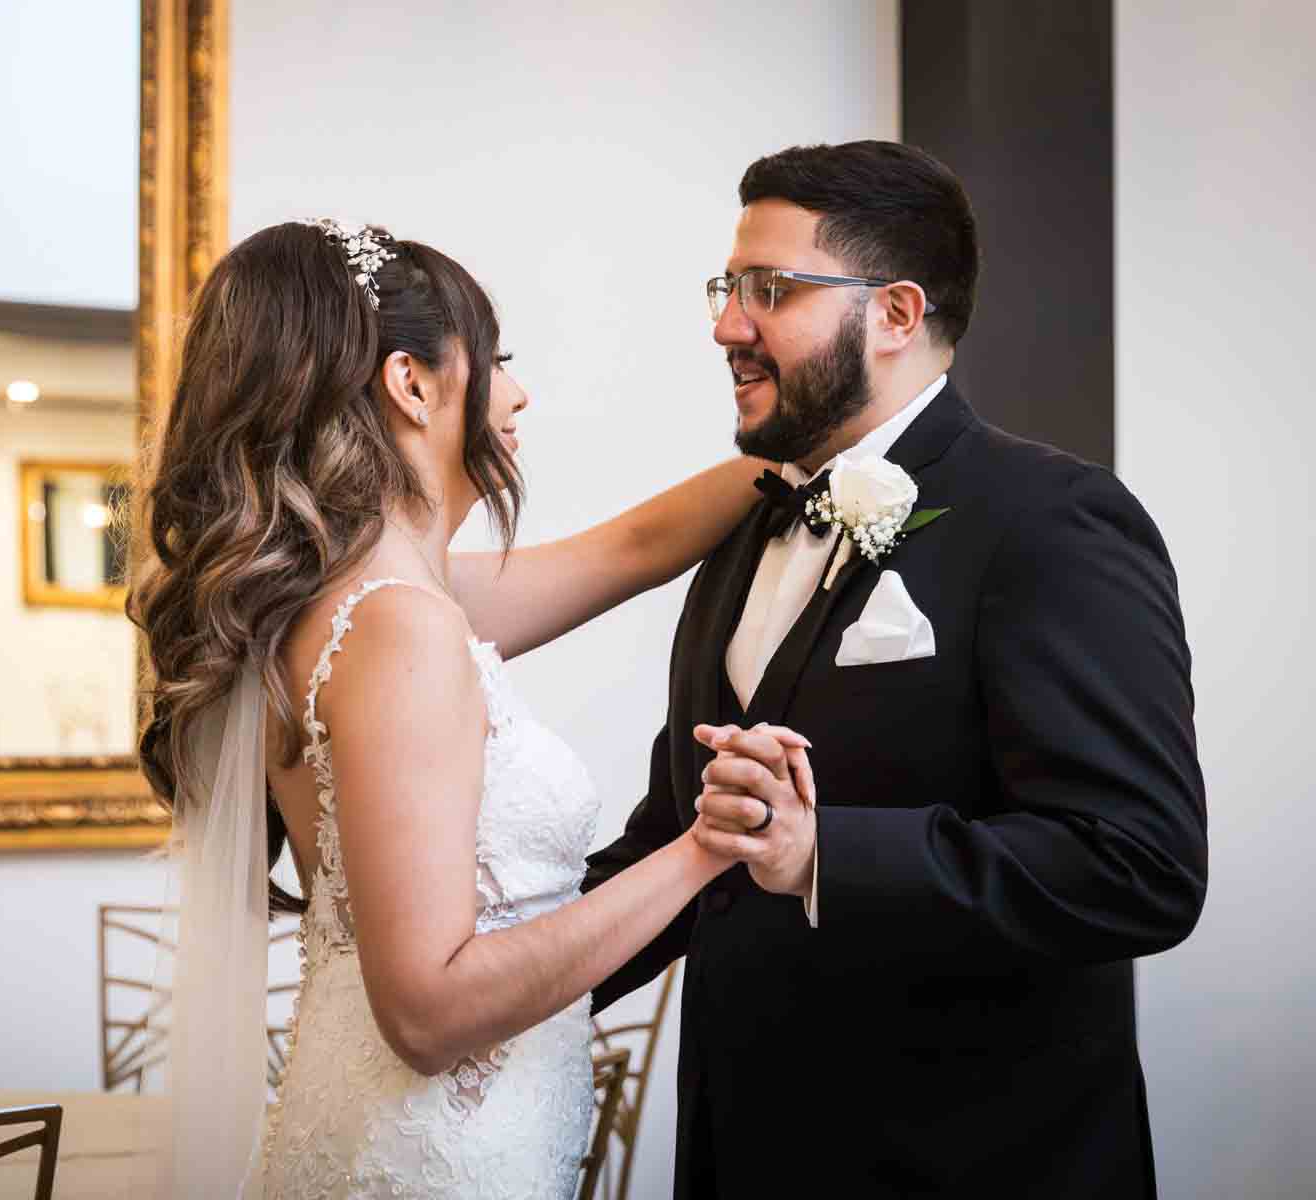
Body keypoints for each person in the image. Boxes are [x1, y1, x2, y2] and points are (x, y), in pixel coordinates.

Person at [129, 219, 802, 1198]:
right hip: (434, 1165)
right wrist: (702, 850)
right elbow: (429, 1013)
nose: (520, 393)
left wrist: (814, 450)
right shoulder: (401, 628)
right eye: (499, 361)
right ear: (412, 383)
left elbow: (629, 549)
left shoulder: (342, 600)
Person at [587, 141, 1207, 1197]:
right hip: (745, 1155)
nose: (727, 324)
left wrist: (826, 854)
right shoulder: (743, 528)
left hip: (967, 1168)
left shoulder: (1053, 522)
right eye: (728, 288)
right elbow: (681, 841)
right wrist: (485, 990)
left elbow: (1138, 866)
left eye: (768, 290)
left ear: (896, 314)